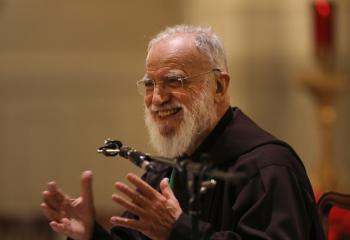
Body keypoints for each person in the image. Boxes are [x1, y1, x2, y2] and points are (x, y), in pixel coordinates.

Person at [41, 25, 325, 240]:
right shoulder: (165, 172)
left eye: (174, 81)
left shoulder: (267, 169)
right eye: (150, 84)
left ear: (219, 87)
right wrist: (90, 233)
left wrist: (179, 231)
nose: (157, 98)